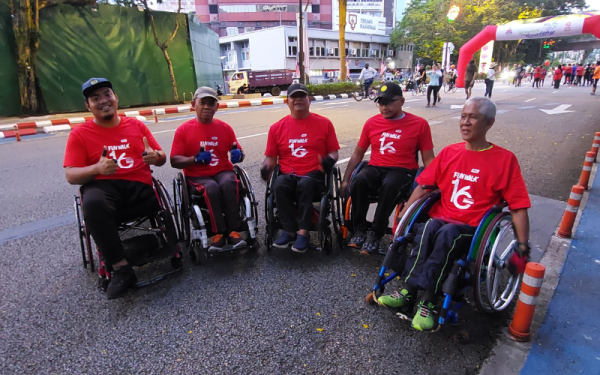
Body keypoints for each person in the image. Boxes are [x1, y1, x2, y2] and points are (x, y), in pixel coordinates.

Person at [377, 97, 532, 331]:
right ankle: (408, 291)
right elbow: (424, 186)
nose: (465, 122)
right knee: (429, 227)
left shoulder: (504, 159)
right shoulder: (450, 152)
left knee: (447, 233)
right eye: (463, 116)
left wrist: (522, 245)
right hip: (440, 221)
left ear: (489, 123)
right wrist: (404, 215)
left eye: (473, 117)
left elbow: (518, 206)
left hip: (473, 229)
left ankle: (428, 300)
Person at [63, 78, 167, 299]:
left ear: (116, 97)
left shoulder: (136, 125)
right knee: (93, 205)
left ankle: (155, 245)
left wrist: (155, 156)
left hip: (138, 186)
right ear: (88, 106)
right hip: (103, 189)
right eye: (95, 98)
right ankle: (122, 269)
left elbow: (162, 157)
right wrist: (96, 168)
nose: (103, 101)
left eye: (107, 94)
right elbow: (71, 175)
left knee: (153, 200)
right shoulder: (79, 134)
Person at [340, 82, 435, 253]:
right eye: (381, 102)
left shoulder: (419, 124)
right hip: (376, 167)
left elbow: (428, 159)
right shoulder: (372, 123)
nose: (384, 107)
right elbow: (357, 154)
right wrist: (346, 180)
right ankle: (359, 229)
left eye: (389, 102)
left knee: (390, 185)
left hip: (403, 171)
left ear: (402, 101)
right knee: (360, 180)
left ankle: (375, 233)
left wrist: (434, 182)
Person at [261, 83, 340, 253]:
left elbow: (334, 152)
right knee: (280, 184)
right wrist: (266, 168)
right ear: (287, 101)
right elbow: (271, 159)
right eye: (293, 97)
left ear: (309, 100)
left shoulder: (324, 124)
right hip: (289, 173)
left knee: (305, 184)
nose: (298, 100)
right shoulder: (276, 128)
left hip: (315, 175)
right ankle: (289, 231)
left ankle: (303, 232)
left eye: (302, 96)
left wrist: (329, 160)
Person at [170, 87, 247, 251]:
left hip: (222, 171)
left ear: (216, 107)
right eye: (202, 102)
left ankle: (233, 230)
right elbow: (174, 160)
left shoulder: (225, 128)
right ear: (193, 105)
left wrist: (238, 154)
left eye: (211, 103)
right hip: (197, 174)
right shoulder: (183, 130)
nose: (206, 107)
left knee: (229, 183)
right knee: (211, 188)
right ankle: (217, 233)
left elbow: (237, 151)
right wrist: (195, 159)